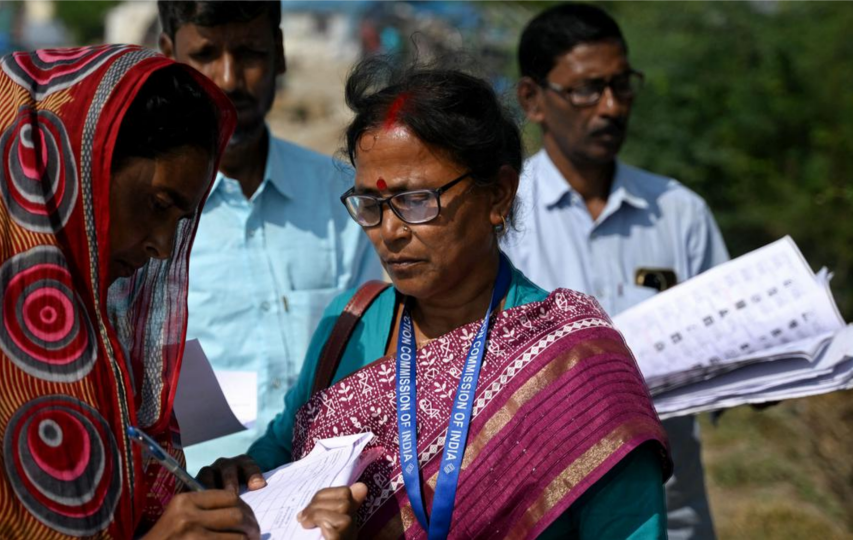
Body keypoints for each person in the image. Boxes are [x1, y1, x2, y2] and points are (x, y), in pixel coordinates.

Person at [220, 57, 673, 539]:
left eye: (416, 200)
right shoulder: (352, 324)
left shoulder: (573, 362)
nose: (389, 231)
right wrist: (243, 478)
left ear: (498, 195)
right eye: (370, 204)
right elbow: (279, 454)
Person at [0, 45, 260, 538]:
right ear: (72, 170)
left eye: (179, 221)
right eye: (156, 205)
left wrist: (203, 494)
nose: (162, 246)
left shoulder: (107, 345)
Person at [505, 4, 729, 539]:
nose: (611, 106)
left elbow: (731, 346)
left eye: (621, 85)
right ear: (532, 100)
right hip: (545, 520)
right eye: (587, 90)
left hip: (672, 516)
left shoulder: (680, 212)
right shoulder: (501, 218)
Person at [157, 0, 383, 469]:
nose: (228, 79)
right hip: (204, 487)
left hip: (335, 479)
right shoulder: (152, 215)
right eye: (205, 55)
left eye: (249, 53)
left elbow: (369, 343)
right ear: (168, 56)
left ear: (279, 53)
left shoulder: (340, 195)